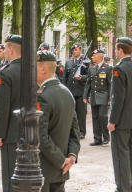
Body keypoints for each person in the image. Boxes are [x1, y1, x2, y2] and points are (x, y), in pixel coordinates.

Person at [36, 50, 80, 191]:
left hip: (45, 167)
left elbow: (40, 136)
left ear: (43, 68)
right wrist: (71, 155)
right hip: (61, 168)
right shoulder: (66, 92)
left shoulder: (42, 96)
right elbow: (74, 129)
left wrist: (61, 161)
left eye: (33, 67)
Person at [0, 34, 22, 192]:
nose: (3, 51)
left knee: (11, 175)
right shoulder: (35, 69)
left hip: (12, 133)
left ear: (11, 50)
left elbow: (3, 107)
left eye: (4, 48)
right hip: (35, 130)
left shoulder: (6, 72)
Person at [107, 37, 132, 192]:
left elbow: (117, 98)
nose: (115, 52)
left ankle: (123, 187)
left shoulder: (119, 68)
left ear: (121, 50)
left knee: (120, 154)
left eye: (116, 49)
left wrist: (112, 120)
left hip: (122, 120)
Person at [83, 49, 111, 146]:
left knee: (102, 116)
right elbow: (88, 83)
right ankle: (97, 139)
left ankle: (106, 137)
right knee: (95, 117)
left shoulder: (107, 68)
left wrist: (110, 98)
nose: (92, 57)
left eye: (93, 56)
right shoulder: (92, 68)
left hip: (103, 95)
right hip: (94, 96)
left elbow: (110, 84)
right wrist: (85, 96)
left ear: (99, 56)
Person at [63, 42, 88, 139]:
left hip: (80, 91)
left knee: (81, 113)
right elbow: (65, 77)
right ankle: (72, 131)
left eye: (76, 49)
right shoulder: (69, 61)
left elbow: (89, 76)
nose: (74, 51)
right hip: (70, 91)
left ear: (80, 49)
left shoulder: (85, 60)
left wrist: (81, 77)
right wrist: (64, 89)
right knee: (71, 113)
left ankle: (82, 131)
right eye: (73, 50)